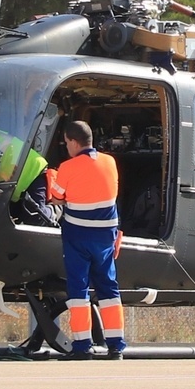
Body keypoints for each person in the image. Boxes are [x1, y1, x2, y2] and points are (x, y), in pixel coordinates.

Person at [49, 120, 126, 360]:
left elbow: (57, 197)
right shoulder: (110, 162)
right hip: (105, 235)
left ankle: (83, 346)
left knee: (78, 289)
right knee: (109, 288)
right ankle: (116, 346)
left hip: (78, 235)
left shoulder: (67, 167)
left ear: (73, 142)